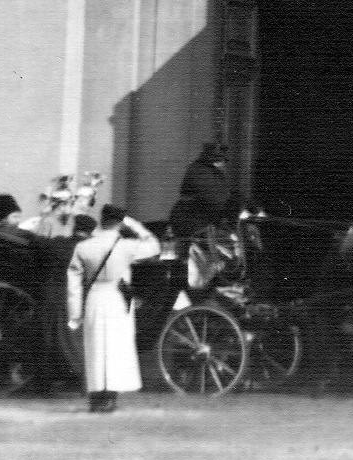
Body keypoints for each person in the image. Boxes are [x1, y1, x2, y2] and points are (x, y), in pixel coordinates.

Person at [66, 205, 160, 413]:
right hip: (118, 298)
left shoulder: (84, 247)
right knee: (116, 348)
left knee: (95, 347)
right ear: (120, 222)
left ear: (101, 220)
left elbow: (73, 281)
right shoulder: (127, 246)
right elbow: (154, 246)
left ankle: (96, 397)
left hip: (94, 297)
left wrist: (75, 313)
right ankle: (110, 397)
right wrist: (134, 225)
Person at [169, 142, 237, 238]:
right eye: (220, 160)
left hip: (199, 218)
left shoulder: (211, 171)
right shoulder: (200, 171)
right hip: (192, 219)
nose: (222, 164)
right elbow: (214, 197)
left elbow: (223, 193)